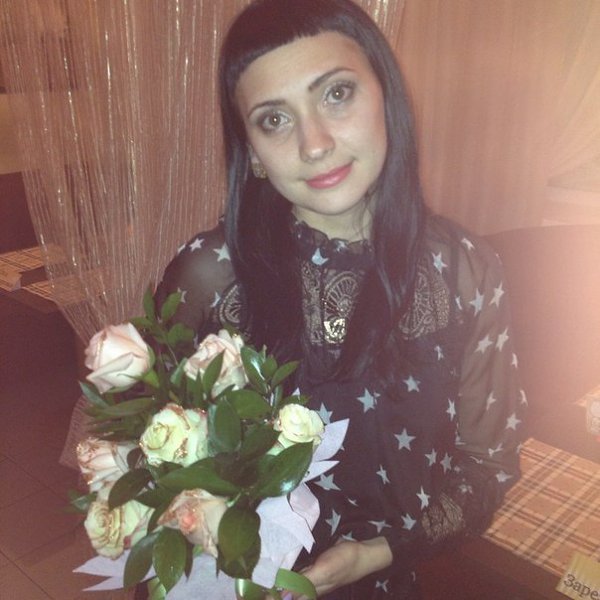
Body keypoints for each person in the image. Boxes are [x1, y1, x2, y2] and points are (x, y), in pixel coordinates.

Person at [156, 0, 526, 598]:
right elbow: (154, 451)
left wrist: (377, 553)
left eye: (336, 94)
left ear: (387, 98)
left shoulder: (466, 270)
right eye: (274, 119)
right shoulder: (208, 276)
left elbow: (488, 466)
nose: (315, 143)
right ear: (251, 151)